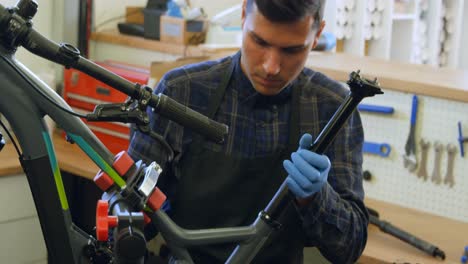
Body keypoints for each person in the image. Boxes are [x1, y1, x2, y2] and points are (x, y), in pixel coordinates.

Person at [128, 0, 369, 263]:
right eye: (260, 42)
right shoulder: (180, 93)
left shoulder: (332, 109)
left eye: (291, 50)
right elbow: (132, 218)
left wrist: (317, 197)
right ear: (244, 15)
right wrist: (126, 208)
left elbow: (349, 248)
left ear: (317, 35)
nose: (271, 67)